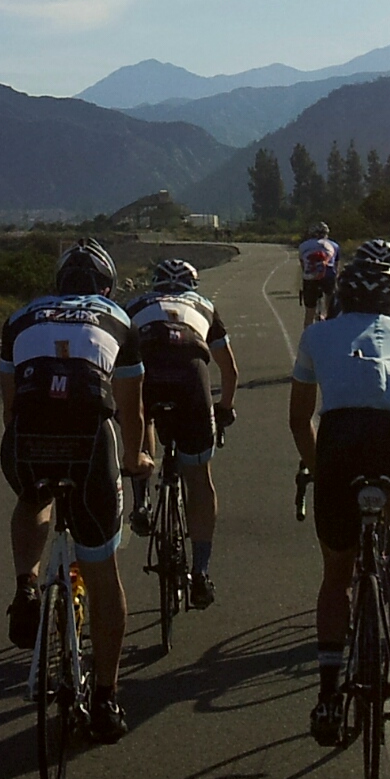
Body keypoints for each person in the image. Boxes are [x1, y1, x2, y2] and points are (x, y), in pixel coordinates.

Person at [0, 238, 152, 744]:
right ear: (107, 287)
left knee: (32, 497)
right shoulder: (119, 319)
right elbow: (131, 410)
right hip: (89, 447)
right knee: (103, 574)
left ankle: (26, 583)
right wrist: (134, 460)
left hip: (27, 442)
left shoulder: (21, 318)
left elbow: (10, 408)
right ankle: (105, 697)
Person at [288, 237, 390, 748]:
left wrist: (322, 472)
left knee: (336, 578)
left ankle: (329, 695)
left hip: (339, 442)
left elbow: (299, 420)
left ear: (341, 297)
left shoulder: (316, 335)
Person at [122, 257, 240, 606]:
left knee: (143, 418)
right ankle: (200, 573)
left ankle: (142, 502)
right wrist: (225, 408)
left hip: (149, 370)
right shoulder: (204, 305)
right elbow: (229, 370)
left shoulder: (136, 304)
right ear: (192, 285)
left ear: (155, 284)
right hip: (191, 376)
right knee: (199, 480)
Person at [296, 222, 340, 328]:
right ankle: (330, 321)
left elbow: (303, 265)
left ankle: (308, 333)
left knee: (309, 313)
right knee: (331, 310)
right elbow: (336, 266)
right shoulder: (334, 245)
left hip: (310, 278)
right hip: (328, 277)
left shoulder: (303, 246)